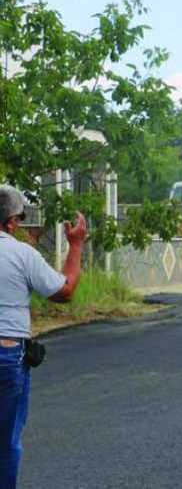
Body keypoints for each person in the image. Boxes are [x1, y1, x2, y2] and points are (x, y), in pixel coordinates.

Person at [0, 185, 87, 489]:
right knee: (5, 443)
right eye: (20, 218)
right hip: (7, 354)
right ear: (11, 222)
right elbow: (64, 291)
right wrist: (75, 245)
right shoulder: (22, 254)